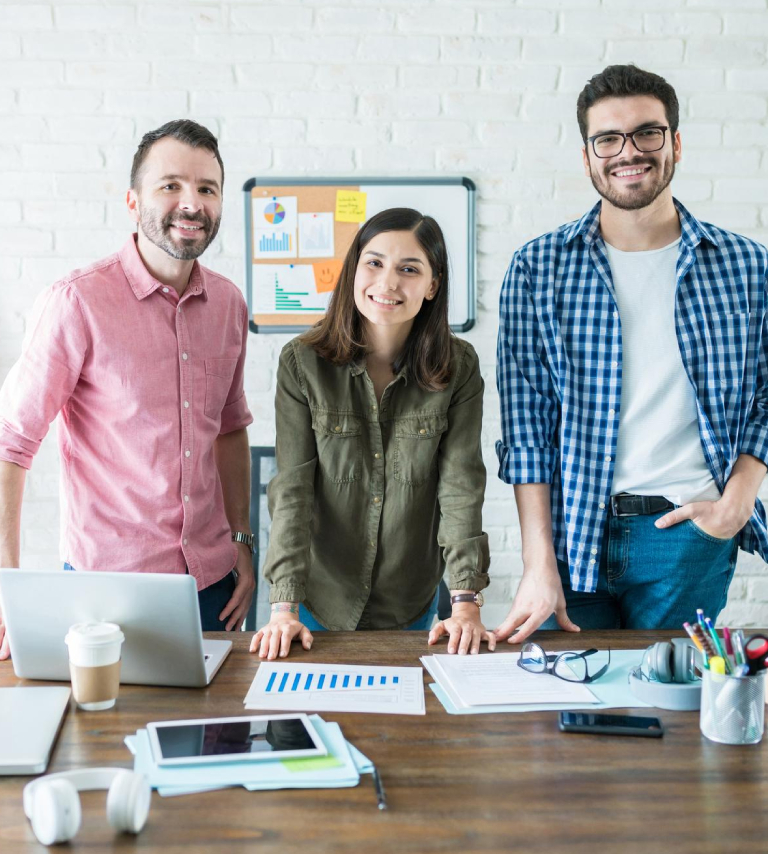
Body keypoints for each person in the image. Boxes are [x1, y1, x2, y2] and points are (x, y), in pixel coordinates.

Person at [494, 65, 768, 641]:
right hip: (571, 537)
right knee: (567, 716)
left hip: (687, 536)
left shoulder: (747, 266)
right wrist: (538, 562)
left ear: (675, 143)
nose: (629, 152)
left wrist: (735, 504)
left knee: (671, 720)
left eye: (648, 132)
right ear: (588, 154)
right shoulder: (537, 268)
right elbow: (528, 428)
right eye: (608, 139)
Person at [0, 119, 255, 656]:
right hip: (107, 591)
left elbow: (230, 430)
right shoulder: (77, 302)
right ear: (133, 201)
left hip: (215, 585)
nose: (192, 203)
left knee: (216, 736)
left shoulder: (230, 305)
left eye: (207, 188)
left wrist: (242, 541)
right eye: (171, 185)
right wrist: (6, 587)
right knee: (106, 736)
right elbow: (11, 445)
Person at [250, 208, 493, 660]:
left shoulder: (459, 368)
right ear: (354, 269)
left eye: (409, 269)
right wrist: (283, 606)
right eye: (374, 263)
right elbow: (292, 491)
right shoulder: (301, 364)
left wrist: (465, 601)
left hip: (411, 604)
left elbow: (461, 486)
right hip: (317, 602)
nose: (388, 283)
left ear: (432, 285)